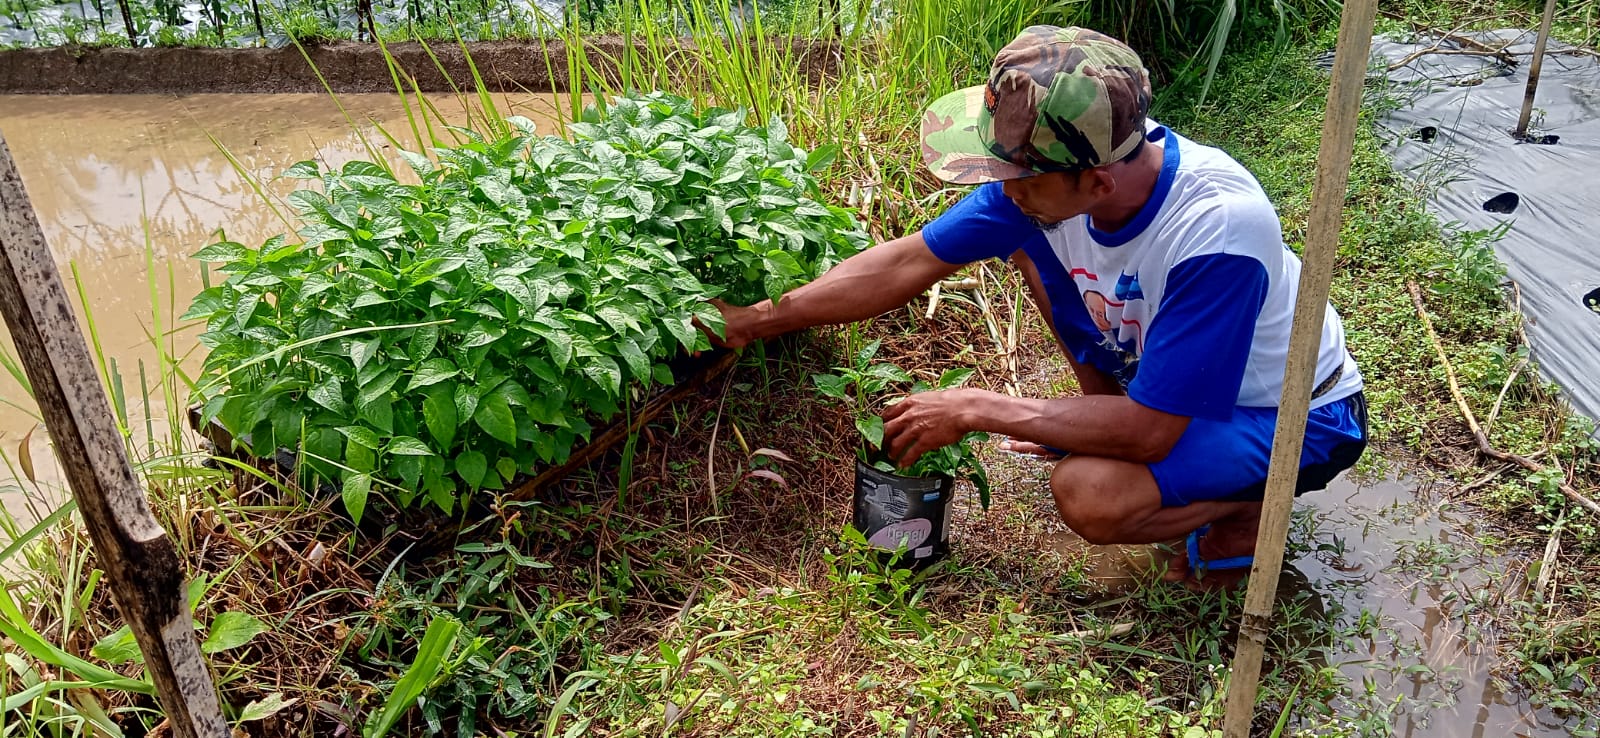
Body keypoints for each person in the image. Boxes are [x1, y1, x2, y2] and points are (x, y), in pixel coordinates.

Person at [708, 25, 1368, 585]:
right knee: (1030, 245)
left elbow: (1151, 431)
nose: (1001, 188)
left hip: (1297, 417)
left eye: (1016, 177)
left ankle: (1244, 513)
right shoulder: (1046, 179)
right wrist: (757, 319)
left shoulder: (1216, 230)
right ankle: (1162, 458)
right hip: (1178, 392)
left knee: (1090, 491)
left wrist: (978, 407)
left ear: (1097, 180)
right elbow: (909, 260)